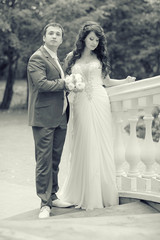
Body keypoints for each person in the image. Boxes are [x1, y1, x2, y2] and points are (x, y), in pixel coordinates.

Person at [58, 21, 135, 210]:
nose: (94, 43)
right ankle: (81, 191)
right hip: (81, 103)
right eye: (91, 39)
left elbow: (106, 82)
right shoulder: (71, 57)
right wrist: (71, 85)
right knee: (84, 142)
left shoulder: (98, 58)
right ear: (83, 38)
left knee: (101, 143)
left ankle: (101, 193)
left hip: (99, 101)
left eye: (97, 40)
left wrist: (124, 81)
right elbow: (65, 80)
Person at [27, 22, 72, 219]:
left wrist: (70, 86)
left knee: (55, 160)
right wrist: (66, 83)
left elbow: (58, 86)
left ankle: (53, 196)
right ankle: (44, 204)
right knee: (44, 162)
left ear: (61, 39)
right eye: (51, 33)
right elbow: (42, 84)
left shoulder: (56, 59)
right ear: (44, 37)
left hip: (60, 117)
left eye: (58, 34)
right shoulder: (37, 58)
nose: (54, 36)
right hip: (43, 118)